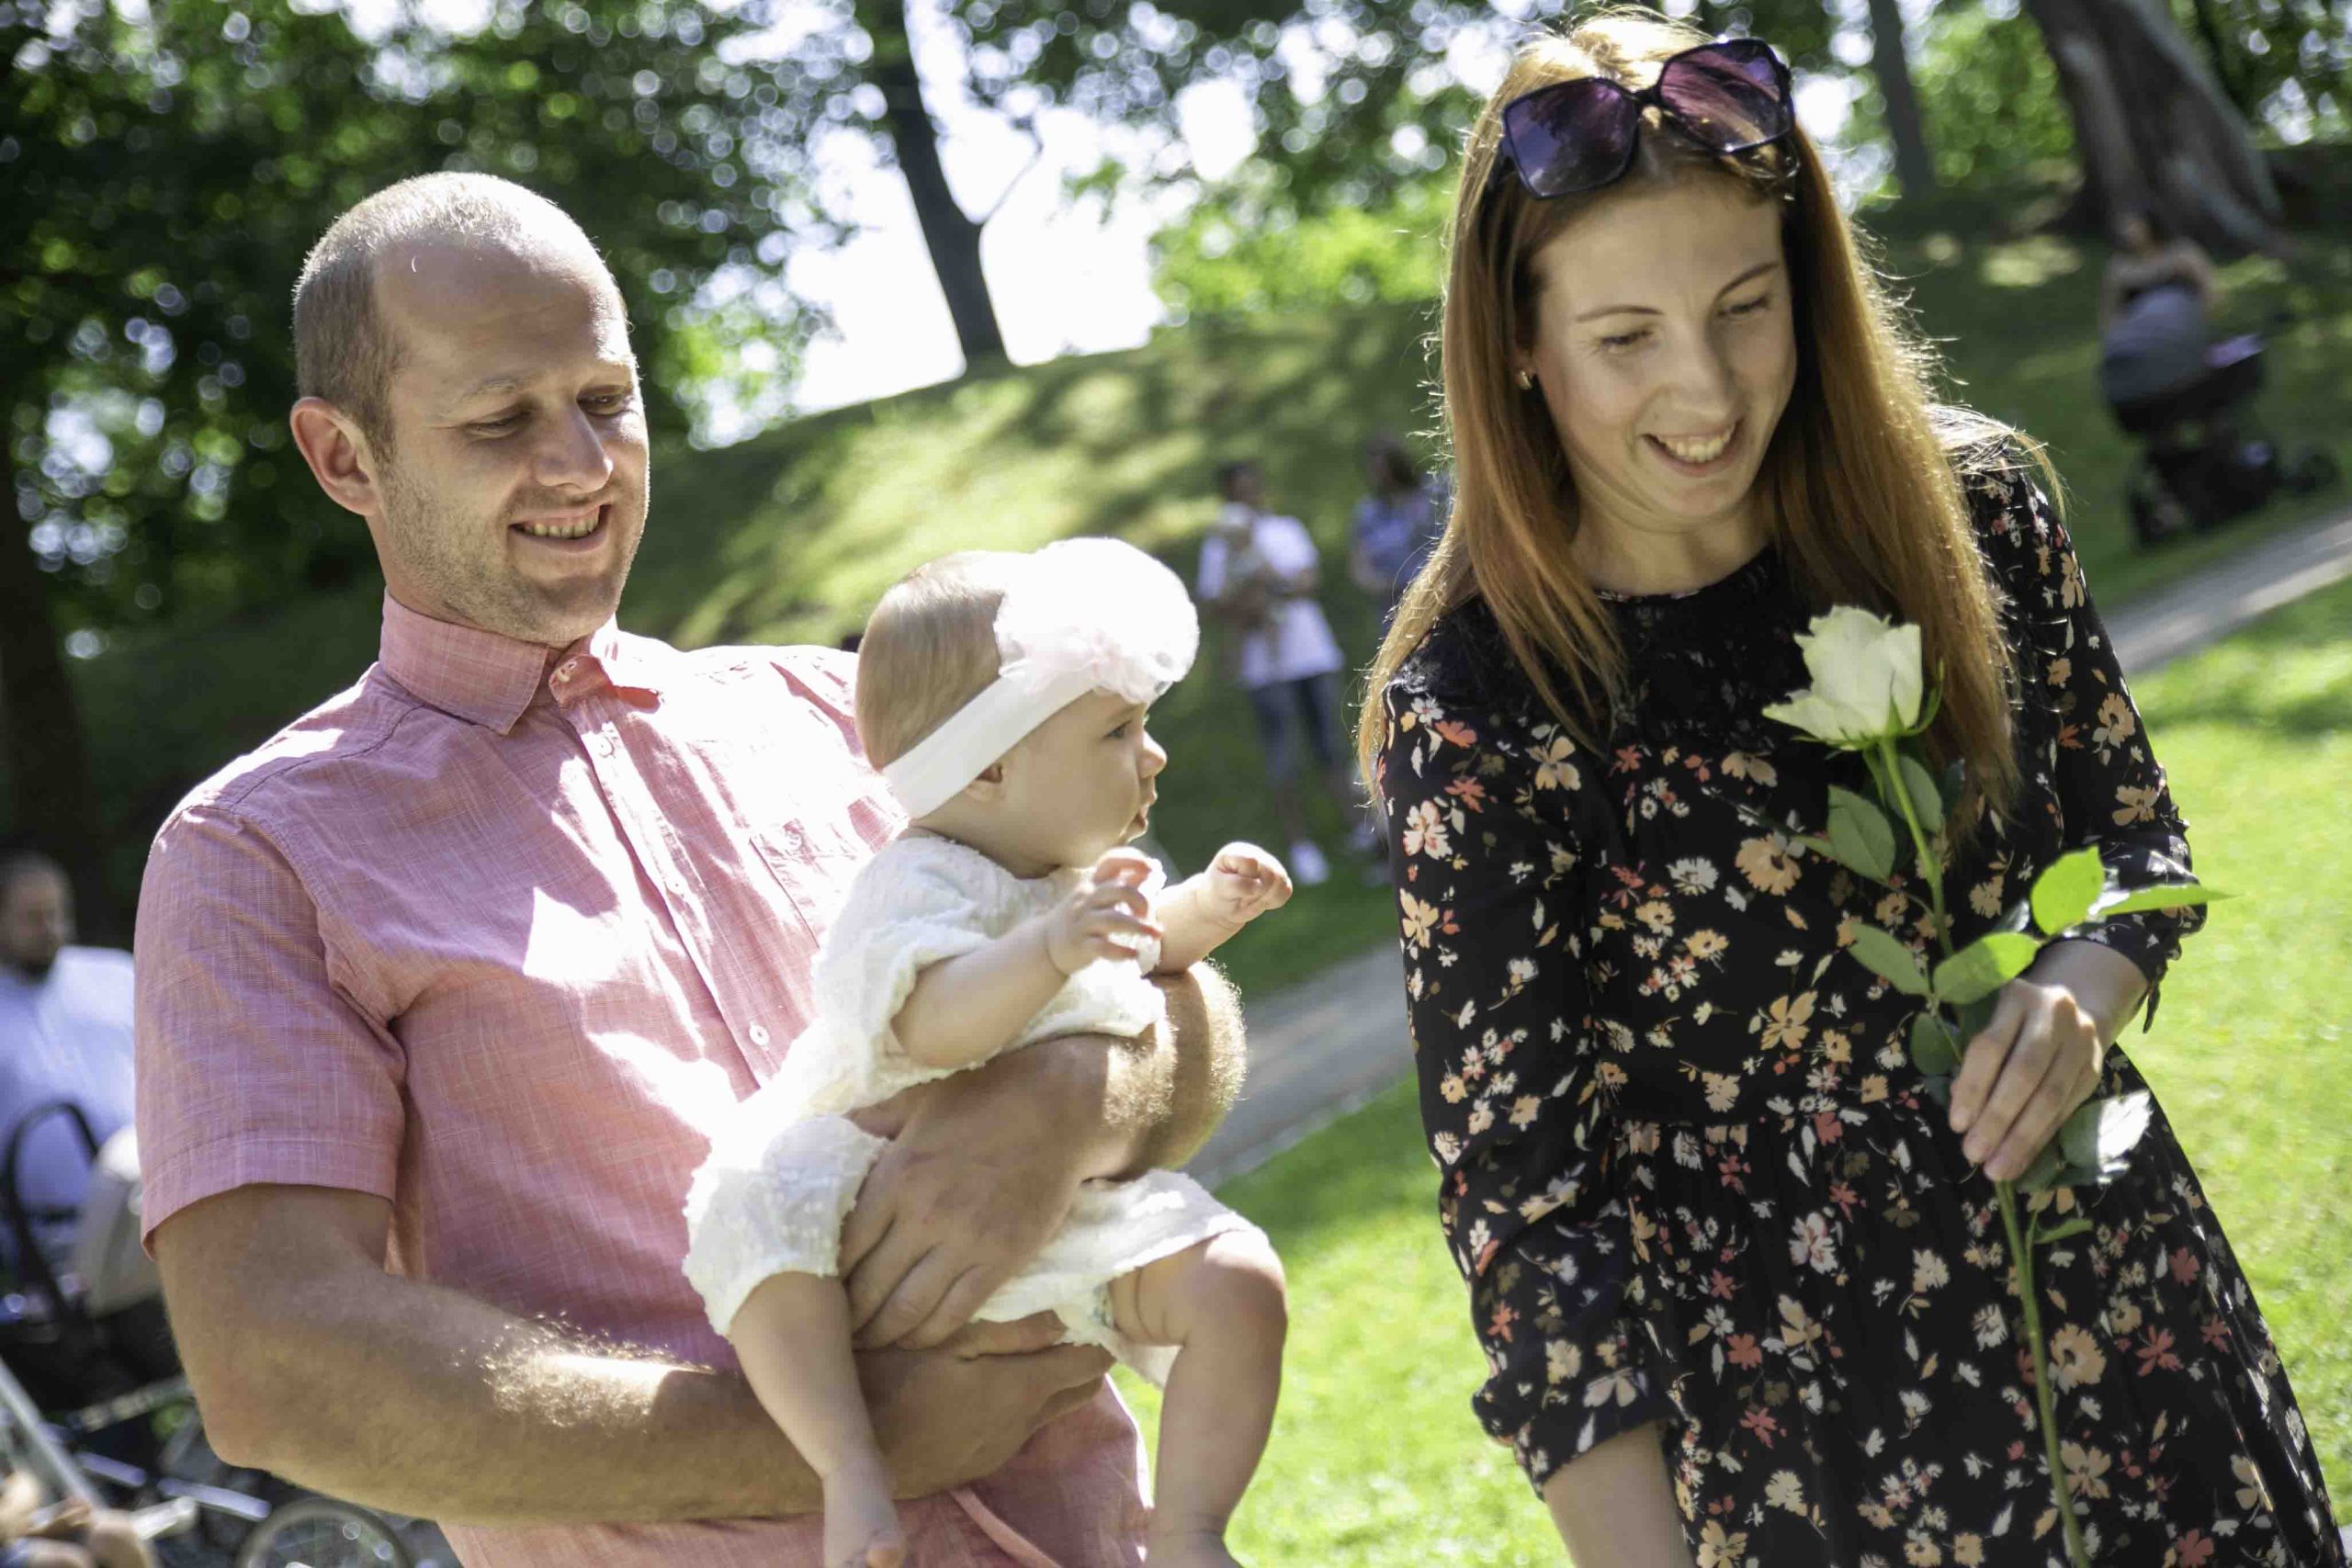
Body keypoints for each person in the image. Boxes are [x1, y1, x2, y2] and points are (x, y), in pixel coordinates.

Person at [132, 173, 1250, 1568]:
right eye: (499, 421)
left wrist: (1067, 1097)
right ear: (344, 456)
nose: (580, 465)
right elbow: (277, 1364)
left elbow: (1173, 985)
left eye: (606, 399)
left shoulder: (843, 713)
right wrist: (838, 1446)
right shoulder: (258, 856)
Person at [1360, 16, 2344, 1566]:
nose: (1705, 387)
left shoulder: (1976, 509)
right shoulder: (1484, 706)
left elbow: (2134, 835)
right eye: (1626, 338)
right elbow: (1531, 1228)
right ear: (1521, 349)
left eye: (1745, 307)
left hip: (2131, 1333)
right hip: (1820, 1457)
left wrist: (2084, 982)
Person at [685, 540, 1288, 1568]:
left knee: (1241, 1281)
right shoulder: (918, 882)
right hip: (874, 1197)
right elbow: (929, 1021)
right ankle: (849, 1474)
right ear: (991, 767)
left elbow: (1150, 951)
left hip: (1047, 1211)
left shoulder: (1074, 879)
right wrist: (1048, 950)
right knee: (753, 1217)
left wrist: (1211, 908)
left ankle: (1189, 1532)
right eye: (1117, 730)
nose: (1153, 756)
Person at [1195, 461, 1371, 886]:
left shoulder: (1285, 529)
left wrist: (1268, 585)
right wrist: (1253, 601)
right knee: (1282, 752)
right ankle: (1300, 844)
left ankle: (1360, 827)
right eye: (1239, 490)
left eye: (1252, 487)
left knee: (1331, 741)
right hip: (1263, 667)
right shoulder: (1217, 547)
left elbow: (1307, 581)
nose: (1248, 497)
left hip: (1309, 653)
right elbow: (1216, 603)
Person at [0, 852, 135, 1272]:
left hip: (144, 1207)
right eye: (33, 918)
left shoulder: (115, 976)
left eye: (58, 914)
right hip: (48, 1236)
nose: (51, 929)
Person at [2098, 209, 2220, 410]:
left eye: (2133, 225)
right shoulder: (2120, 268)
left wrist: (2200, 324)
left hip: (2185, 330)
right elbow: (2110, 313)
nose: (2128, 231)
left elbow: (2209, 293)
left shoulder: (2182, 254)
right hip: (2143, 342)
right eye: (2124, 227)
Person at [1347, 434, 1450, 625]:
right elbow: (1361, 567)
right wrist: (1383, 585)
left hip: (1444, 594)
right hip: (1398, 608)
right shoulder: (1369, 514)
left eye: (1385, 468)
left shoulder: (1435, 491)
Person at [0, 1466, 150, 1568]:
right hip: (10, 1542)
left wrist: (46, 1526)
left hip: (20, 1527)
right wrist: (42, 1530)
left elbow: (22, 1480)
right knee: (66, 1563)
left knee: (116, 1535)